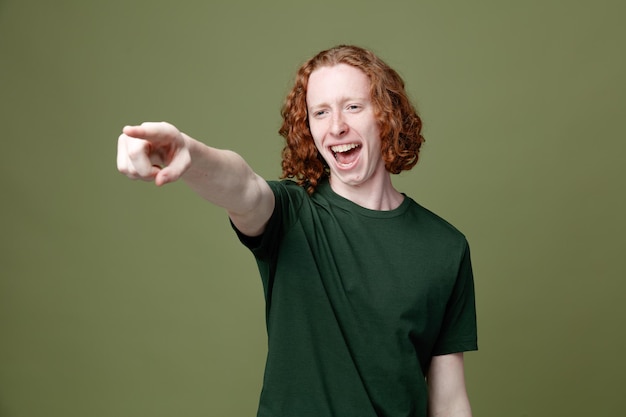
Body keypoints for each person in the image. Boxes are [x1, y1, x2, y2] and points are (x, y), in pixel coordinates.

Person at [117, 45, 477, 417]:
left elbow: (449, 401)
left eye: (353, 106)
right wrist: (189, 154)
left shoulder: (445, 247)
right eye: (320, 112)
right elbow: (242, 186)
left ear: (387, 115)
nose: (336, 126)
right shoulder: (290, 215)